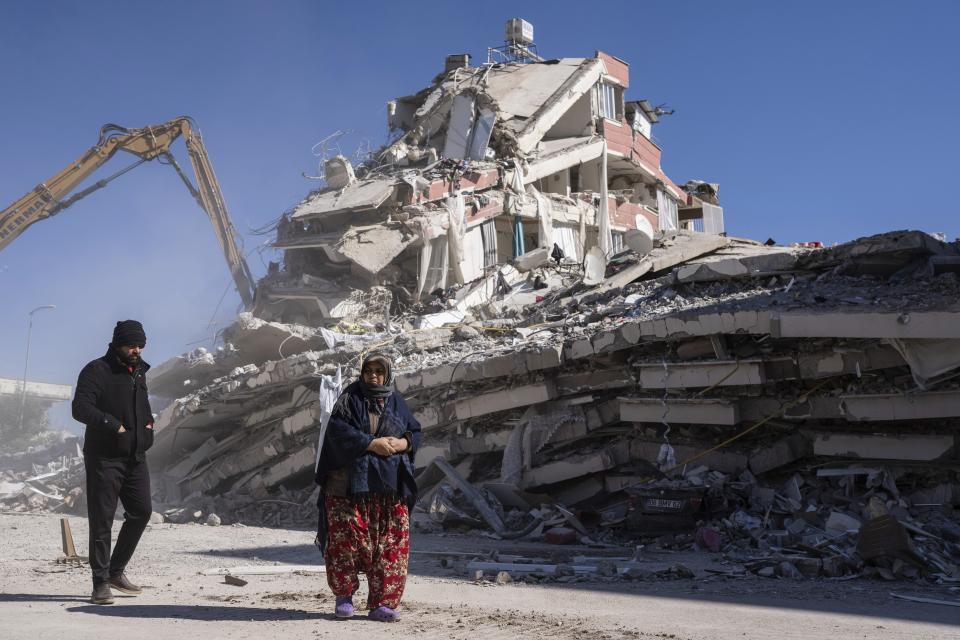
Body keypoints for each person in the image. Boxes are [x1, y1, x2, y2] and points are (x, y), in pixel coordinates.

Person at [314, 353, 421, 622]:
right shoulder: (350, 399)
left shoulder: (396, 402)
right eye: (368, 370)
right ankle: (344, 597)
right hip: (348, 487)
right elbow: (337, 432)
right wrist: (371, 444)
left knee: (391, 544)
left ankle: (383, 603)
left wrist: (402, 444)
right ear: (361, 374)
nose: (373, 375)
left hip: (388, 487)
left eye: (379, 371)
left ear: (387, 374)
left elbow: (414, 431)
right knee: (345, 543)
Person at [72, 320, 154, 605]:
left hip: (135, 457)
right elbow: (80, 408)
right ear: (118, 343)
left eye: (141, 345)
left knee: (142, 511)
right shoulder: (97, 370)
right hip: (104, 458)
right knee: (102, 519)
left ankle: (116, 572)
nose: (137, 349)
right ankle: (100, 583)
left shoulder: (140, 371)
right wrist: (112, 425)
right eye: (132, 345)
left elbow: (142, 408)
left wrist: (148, 428)